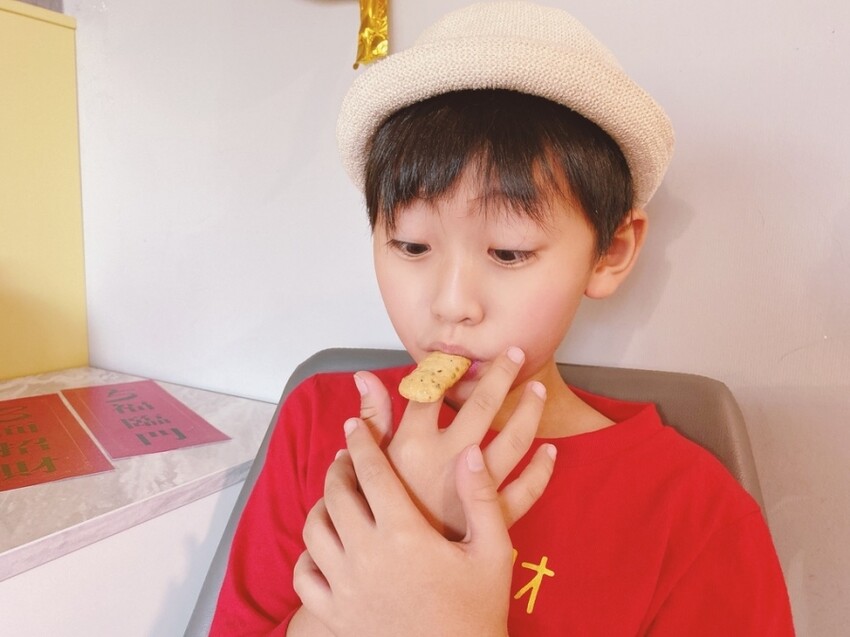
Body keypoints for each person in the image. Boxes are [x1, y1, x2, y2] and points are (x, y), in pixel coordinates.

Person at [211, 2, 795, 635]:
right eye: (412, 245)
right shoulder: (321, 421)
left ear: (610, 252)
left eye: (509, 253)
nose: (452, 303)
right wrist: (393, 532)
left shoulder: (694, 515)